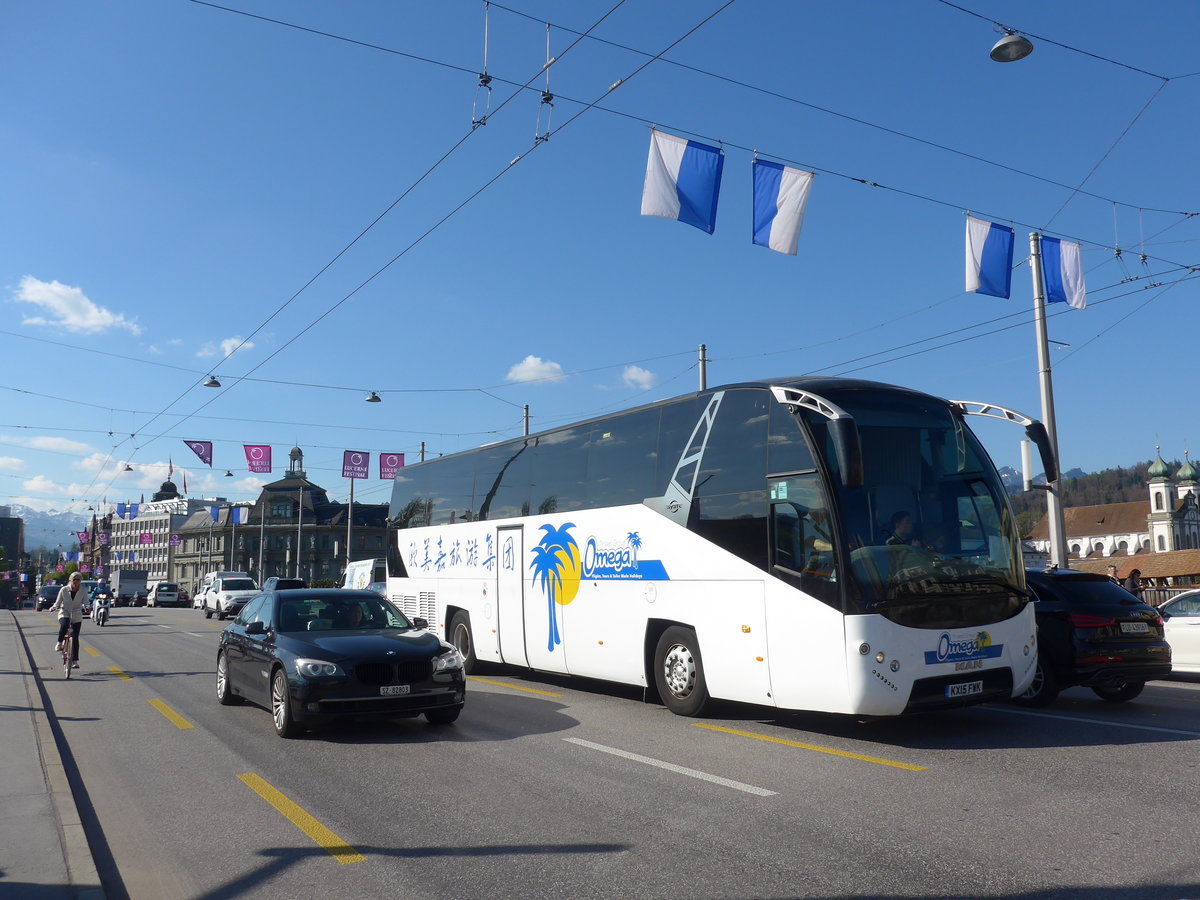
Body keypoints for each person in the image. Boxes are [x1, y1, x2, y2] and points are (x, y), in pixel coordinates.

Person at [51, 572, 86, 668]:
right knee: (64, 624)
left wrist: (87, 606)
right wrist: (54, 607)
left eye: (78, 580)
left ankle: (75, 661)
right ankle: (59, 643)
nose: (76, 581)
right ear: (70, 580)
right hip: (65, 612)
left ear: (80, 581)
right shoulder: (64, 590)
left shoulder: (83, 590)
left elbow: (86, 601)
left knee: (75, 638)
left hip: (76, 614)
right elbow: (57, 602)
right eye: (74, 579)